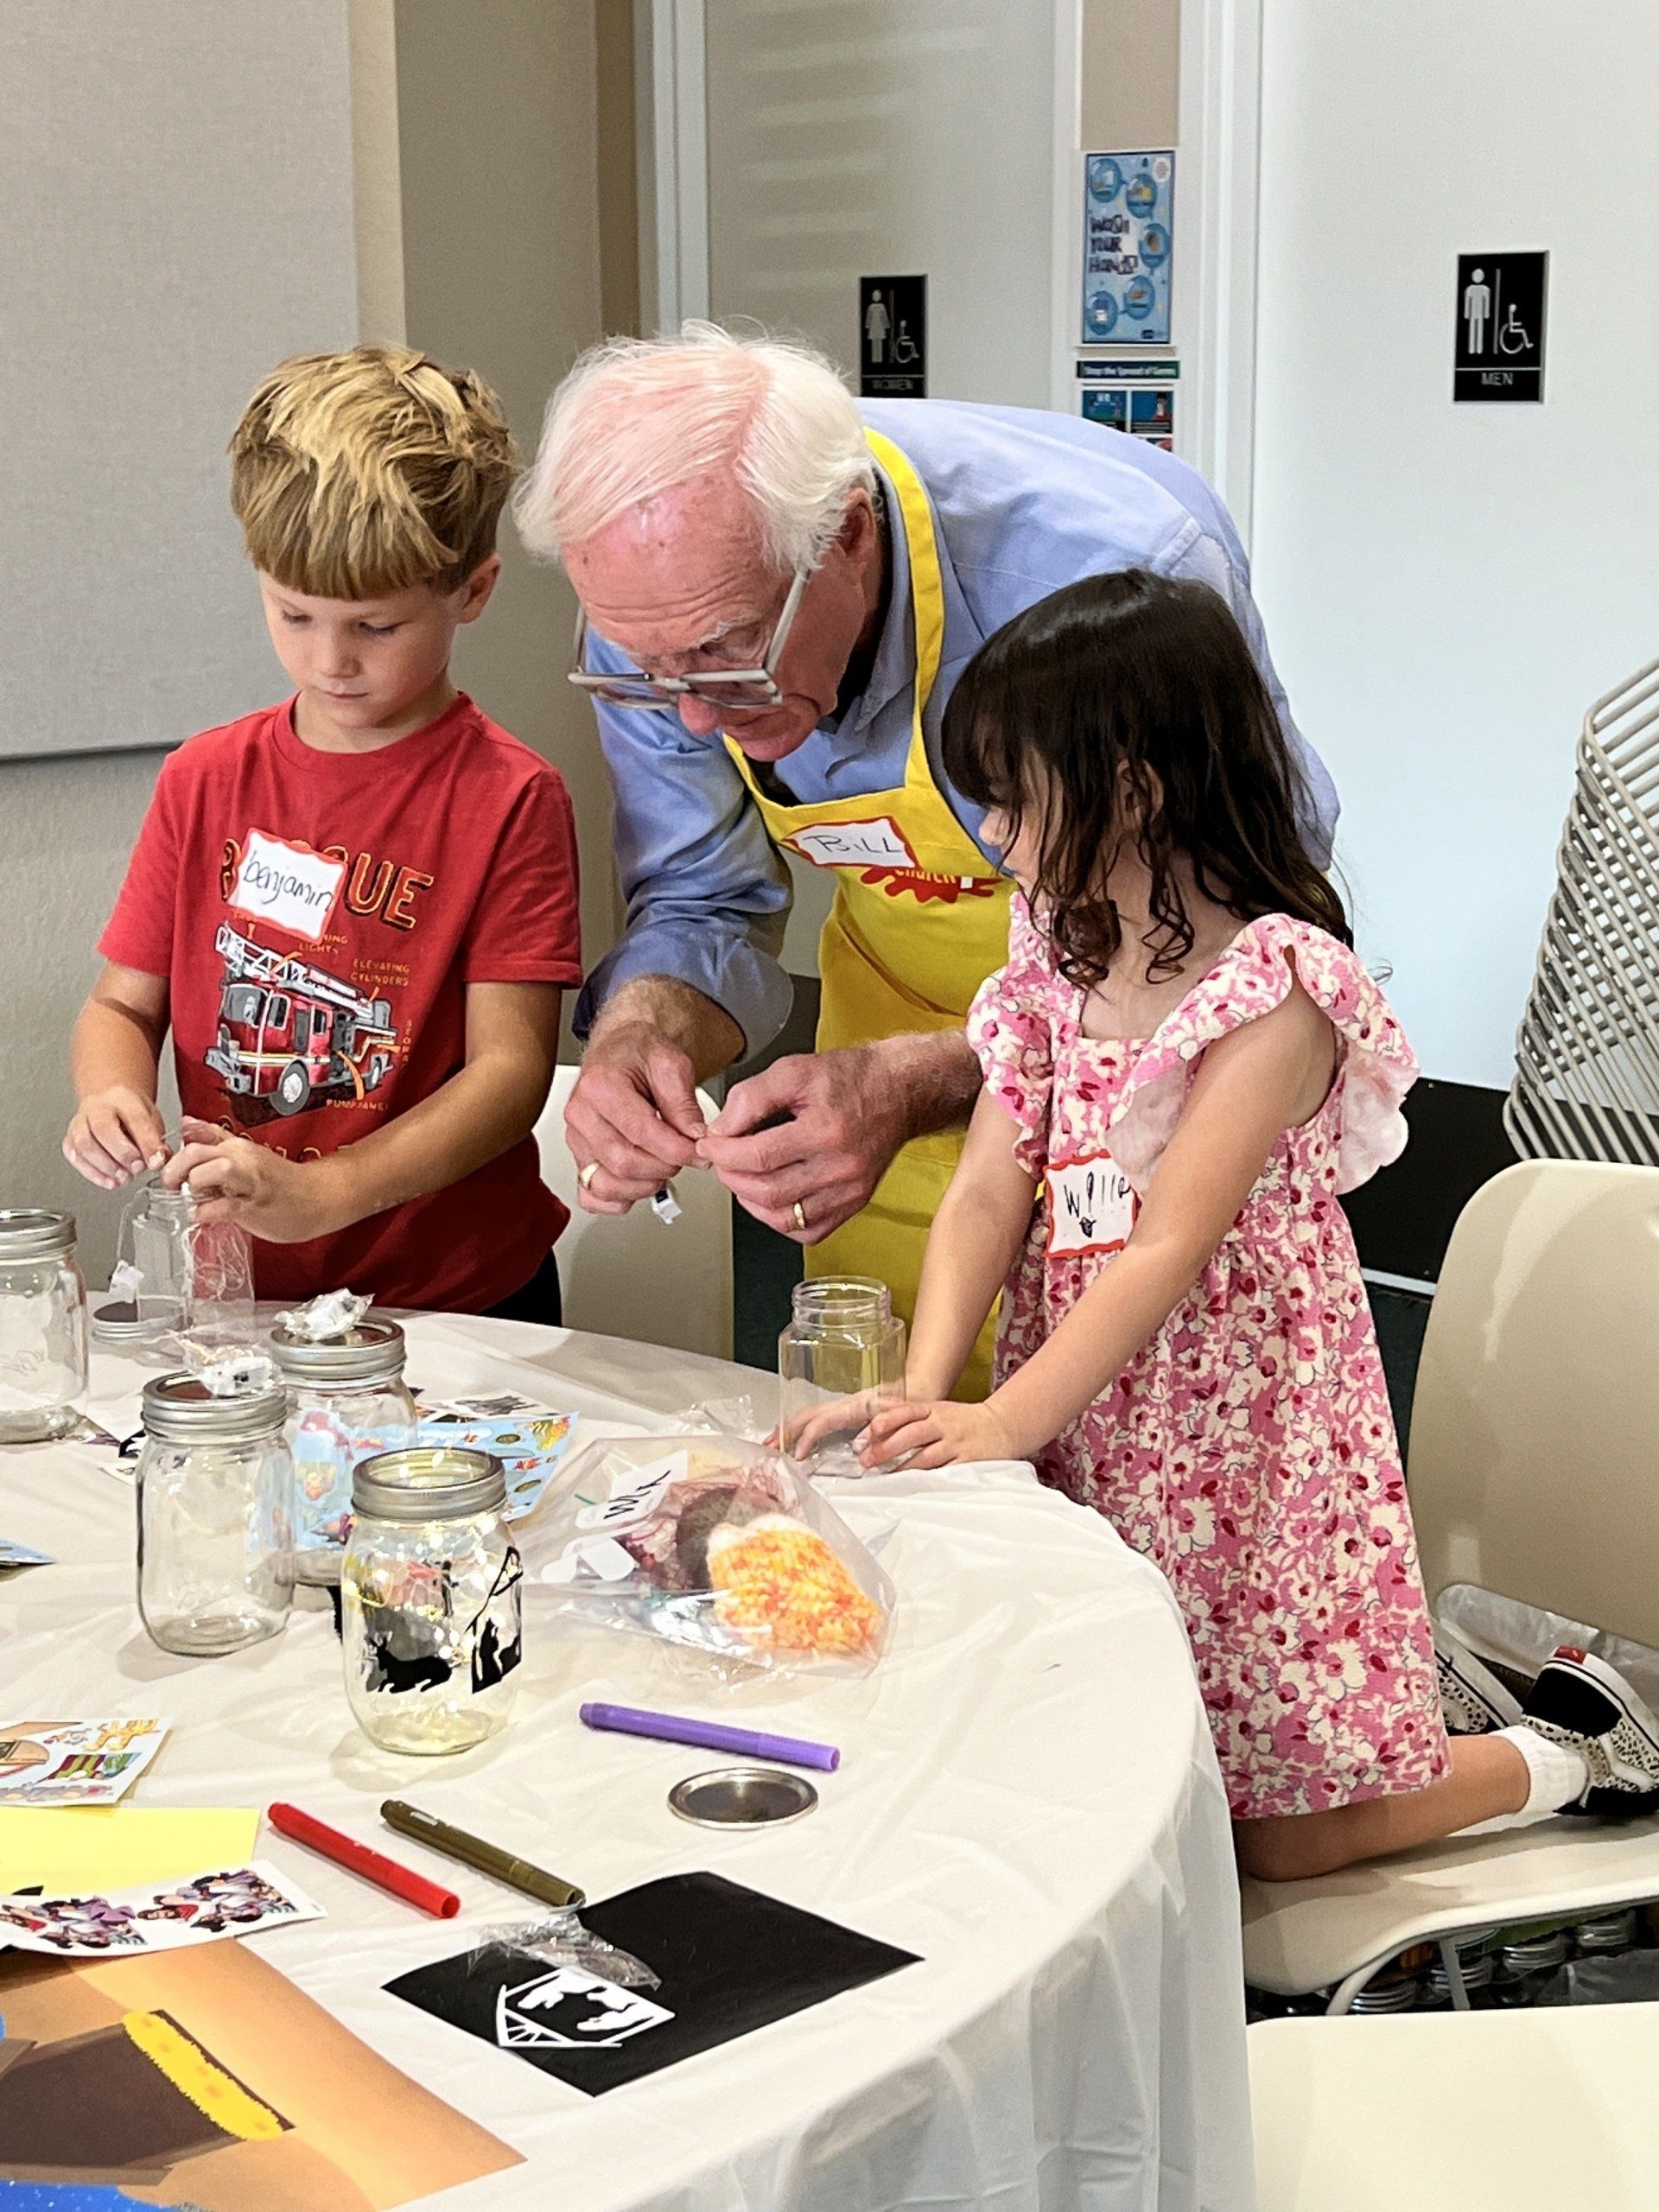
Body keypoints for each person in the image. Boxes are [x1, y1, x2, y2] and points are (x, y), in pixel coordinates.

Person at [855, 569, 1659, 1878]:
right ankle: (1429, 1711)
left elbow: (1168, 1246)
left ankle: (1573, 1751)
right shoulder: (1055, 946)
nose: (992, 833)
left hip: (1239, 1442)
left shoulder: (1273, 987)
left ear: (1130, 790)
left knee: (1270, 1832)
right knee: (1107, 1750)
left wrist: (1004, 1424)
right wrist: (928, 1389)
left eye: (1013, 797)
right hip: (1089, 1402)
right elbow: (989, 1189)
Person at [518, 323, 1335, 1389]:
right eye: (644, 666)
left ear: (850, 536)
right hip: (882, 1062)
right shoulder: (661, 616)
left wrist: (943, 1074)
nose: (692, 715)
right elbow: (699, 897)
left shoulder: (1111, 570)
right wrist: (643, 1033)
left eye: (727, 651)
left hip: (1140, 1104)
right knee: (884, 1414)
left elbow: (1246, 937)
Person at [63, 346, 582, 1319]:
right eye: (293, 614)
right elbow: (121, 1008)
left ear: (473, 591)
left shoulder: (510, 797)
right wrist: (109, 1094)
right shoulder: (203, 779)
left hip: (455, 1297)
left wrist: (330, 1192)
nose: (330, 660)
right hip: (244, 1289)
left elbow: (511, 1072)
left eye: (374, 628)